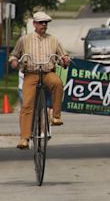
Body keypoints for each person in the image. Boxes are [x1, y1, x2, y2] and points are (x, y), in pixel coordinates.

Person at [9, 11, 71, 149]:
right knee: (27, 104)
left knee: (58, 83)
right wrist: (13, 61)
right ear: (34, 24)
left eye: (46, 23)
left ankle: (56, 116)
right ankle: (24, 138)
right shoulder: (24, 40)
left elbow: (63, 56)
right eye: (41, 23)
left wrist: (65, 60)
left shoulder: (53, 40)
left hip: (48, 72)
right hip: (31, 74)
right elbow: (14, 54)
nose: (44, 25)